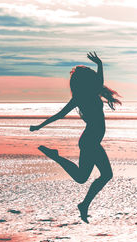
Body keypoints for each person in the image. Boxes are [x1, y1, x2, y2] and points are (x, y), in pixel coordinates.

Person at [30, 52, 121, 223]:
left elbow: (60, 114)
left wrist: (39, 126)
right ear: (85, 82)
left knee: (82, 177)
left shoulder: (82, 96)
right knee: (104, 175)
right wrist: (100, 64)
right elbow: (59, 115)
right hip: (90, 141)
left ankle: (56, 157)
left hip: (89, 141)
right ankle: (84, 204)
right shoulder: (85, 95)